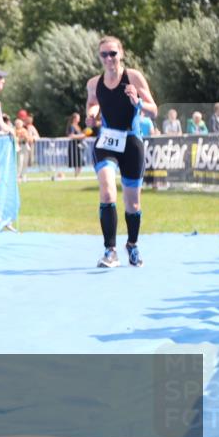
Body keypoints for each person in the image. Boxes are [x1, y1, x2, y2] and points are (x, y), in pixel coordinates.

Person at [85, 35, 157, 268]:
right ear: (99, 57)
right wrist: (91, 114)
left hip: (131, 142)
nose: (108, 58)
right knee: (107, 193)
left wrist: (138, 102)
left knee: (132, 204)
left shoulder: (133, 77)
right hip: (106, 142)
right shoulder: (93, 83)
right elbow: (92, 105)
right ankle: (110, 250)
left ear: (121, 54)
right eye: (104, 54)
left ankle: (132, 245)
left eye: (113, 54)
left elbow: (153, 110)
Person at [66, 112, 86, 177]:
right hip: (74, 147)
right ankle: (76, 176)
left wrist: (83, 134)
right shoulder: (72, 126)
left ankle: (76, 176)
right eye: (78, 118)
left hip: (79, 146)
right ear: (74, 118)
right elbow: (71, 136)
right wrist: (82, 136)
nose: (79, 119)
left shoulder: (77, 126)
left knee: (80, 163)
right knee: (78, 163)